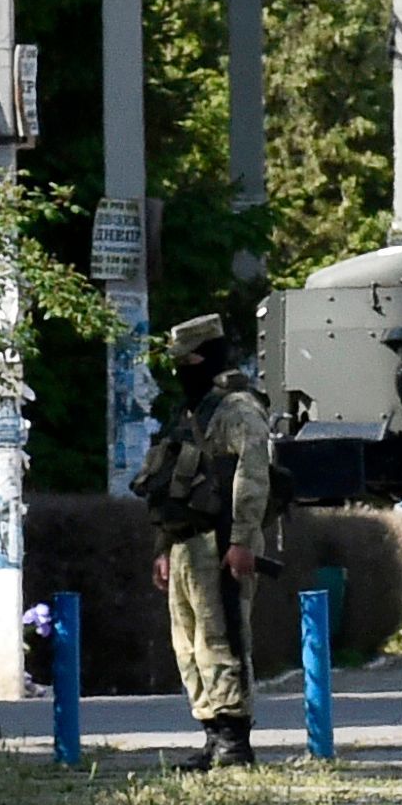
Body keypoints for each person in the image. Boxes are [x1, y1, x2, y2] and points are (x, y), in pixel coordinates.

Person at [136, 313, 276, 772]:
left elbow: (252, 476)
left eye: (188, 360)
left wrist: (241, 540)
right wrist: (163, 546)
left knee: (222, 639)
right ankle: (212, 733)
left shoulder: (237, 410)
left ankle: (234, 738)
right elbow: (172, 481)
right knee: (188, 645)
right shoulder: (190, 411)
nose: (180, 370)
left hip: (219, 543)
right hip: (184, 544)